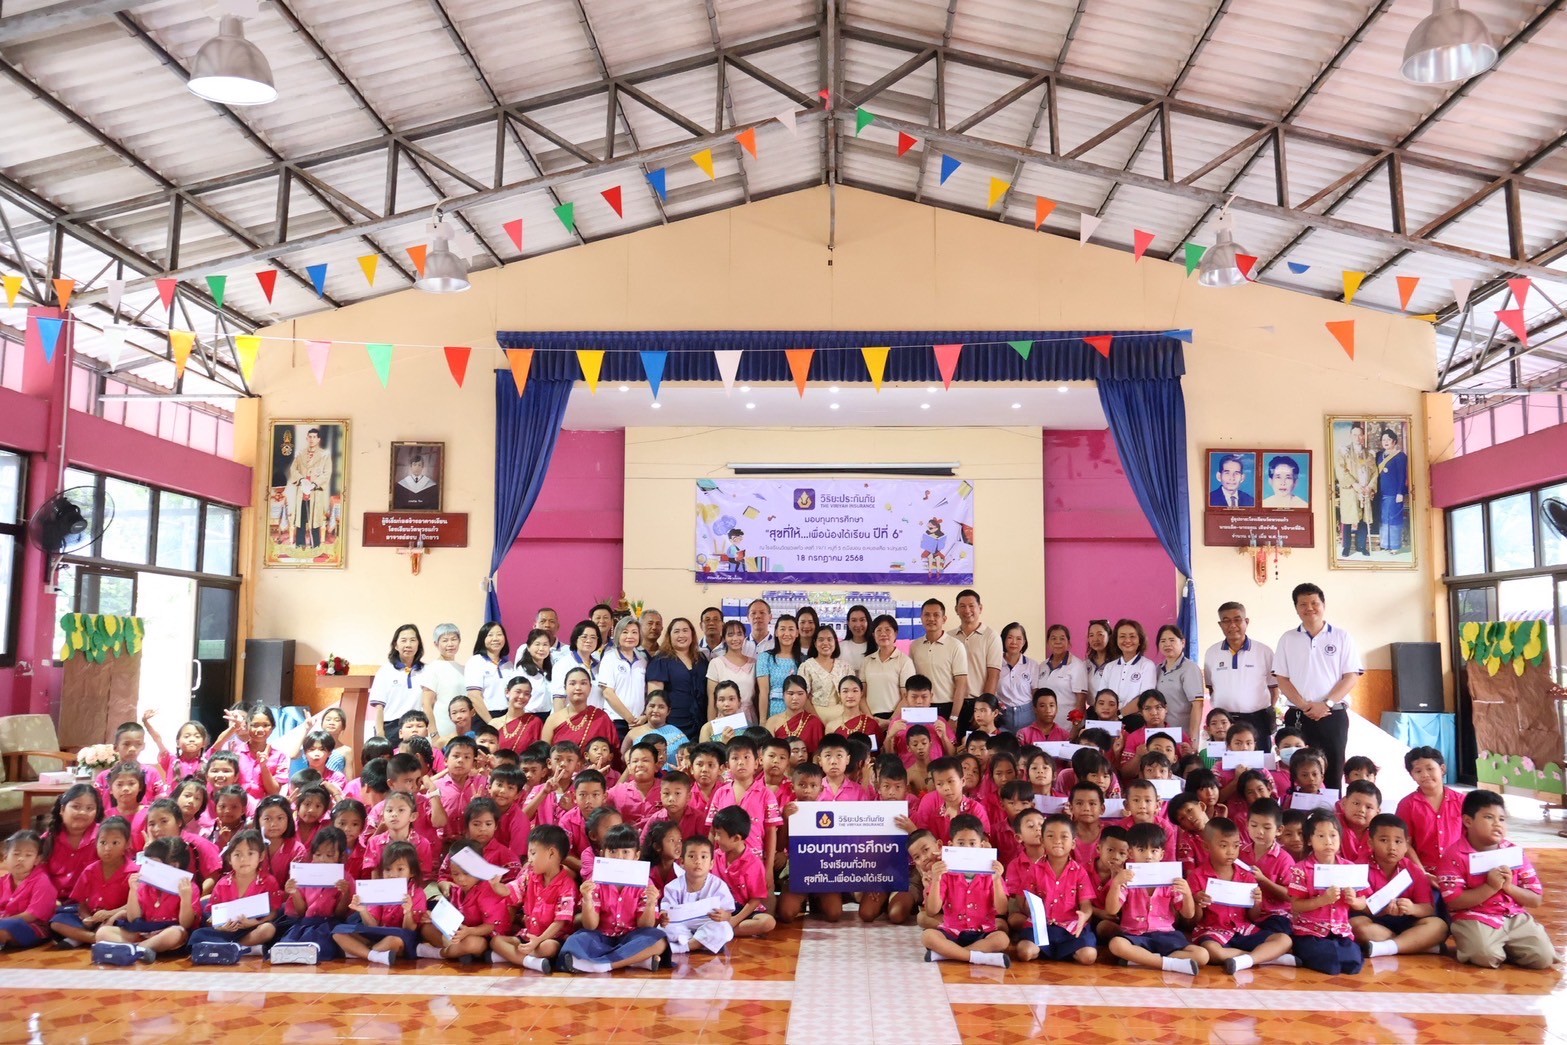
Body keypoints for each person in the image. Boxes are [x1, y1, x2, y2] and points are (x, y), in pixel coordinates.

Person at [1437, 790, 1552, 969]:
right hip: (1473, 917)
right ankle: (1499, 947)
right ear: (1468, 821)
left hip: (1514, 916)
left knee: (1543, 958)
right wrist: (1490, 887)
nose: (1497, 823)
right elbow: (1454, 901)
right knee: (1484, 955)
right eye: (1489, 817)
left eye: (1502, 819)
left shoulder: (1513, 852)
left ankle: (1506, 946)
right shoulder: (1454, 855)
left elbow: (1535, 899)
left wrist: (1509, 887)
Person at [1273, 583, 1361, 791]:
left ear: (1323, 605)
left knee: (1332, 769)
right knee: (1297, 770)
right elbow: (1282, 678)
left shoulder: (1341, 636)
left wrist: (1326, 704)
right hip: (1298, 715)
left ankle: (1329, 810)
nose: (1309, 608)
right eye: (1303, 604)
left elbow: (1351, 676)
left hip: (1333, 715)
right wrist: (1304, 706)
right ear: (1296, 608)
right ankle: (1296, 808)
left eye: (1314, 603)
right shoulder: (1288, 638)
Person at [559, 823, 666, 973]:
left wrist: (650, 903)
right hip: (601, 937)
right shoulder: (595, 881)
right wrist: (587, 899)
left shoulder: (645, 883)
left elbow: (645, 925)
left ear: (636, 856)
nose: (619, 857)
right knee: (574, 941)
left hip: (632, 936)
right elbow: (590, 926)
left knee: (659, 940)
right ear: (603, 854)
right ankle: (636, 961)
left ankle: (604, 965)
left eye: (625, 852)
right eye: (613, 851)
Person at [1104, 822, 1205, 975]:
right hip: (1135, 935)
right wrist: (1116, 883)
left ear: (1162, 854)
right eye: (1141, 850)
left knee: (1202, 955)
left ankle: (1140, 960)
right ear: (1131, 853)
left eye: (1154, 850)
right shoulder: (1126, 878)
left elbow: (1188, 914)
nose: (1148, 856)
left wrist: (1187, 894)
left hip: (1166, 935)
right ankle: (1168, 963)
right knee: (1117, 944)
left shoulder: (1170, 879)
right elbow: (1111, 910)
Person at [1352, 813, 1449, 959]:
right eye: (1384, 840)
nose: (1392, 847)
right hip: (1374, 920)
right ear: (1371, 843)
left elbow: (1428, 908)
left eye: (1398, 841)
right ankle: (1415, 944)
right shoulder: (1360, 867)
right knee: (1356, 925)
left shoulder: (1414, 870)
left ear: (1406, 845)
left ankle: (1389, 947)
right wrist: (1382, 910)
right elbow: (1359, 906)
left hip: (1406, 921)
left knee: (1439, 926)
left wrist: (1412, 908)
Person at [90, 835, 198, 965]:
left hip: (166, 934)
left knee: (176, 933)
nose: (147, 869)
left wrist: (185, 898)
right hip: (142, 932)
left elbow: (186, 924)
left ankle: (135, 949)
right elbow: (133, 918)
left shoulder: (189, 888)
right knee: (102, 933)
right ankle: (142, 949)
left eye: (153, 864)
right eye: (147, 863)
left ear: (174, 865)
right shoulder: (144, 885)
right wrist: (133, 891)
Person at [919, 813, 1010, 967]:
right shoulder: (945, 872)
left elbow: (1002, 909)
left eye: (972, 843)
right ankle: (978, 957)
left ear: (982, 845)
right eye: (961, 844)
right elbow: (932, 911)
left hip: (982, 932)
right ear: (951, 845)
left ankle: (948, 954)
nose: (967, 848)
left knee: (1002, 939)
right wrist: (936, 880)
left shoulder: (992, 872)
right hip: (952, 931)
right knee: (928, 936)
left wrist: (996, 880)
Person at [1287, 812, 1365, 975]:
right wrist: (1323, 900)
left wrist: (1353, 900)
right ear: (1309, 840)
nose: (1328, 841)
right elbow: (1296, 905)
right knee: (1330, 962)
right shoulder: (1301, 869)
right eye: (1321, 836)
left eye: (1333, 835)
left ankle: (1335, 951)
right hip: (1309, 932)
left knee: (1354, 963)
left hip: (1340, 932)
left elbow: (1363, 901)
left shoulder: (1349, 868)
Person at [188, 829, 282, 964]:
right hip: (227, 931)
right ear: (229, 859)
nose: (244, 859)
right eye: (237, 855)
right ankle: (240, 948)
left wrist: (255, 923)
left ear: (261, 856)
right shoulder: (222, 884)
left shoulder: (269, 881)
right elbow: (211, 916)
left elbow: (273, 912)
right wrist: (221, 927)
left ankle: (233, 947)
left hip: (252, 929)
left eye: (250, 853)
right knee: (197, 935)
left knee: (268, 929)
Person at [1202, 602, 1279, 752]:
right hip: (1224, 723)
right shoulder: (1211, 653)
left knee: (1259, 763)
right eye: (1226, 621)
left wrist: (1267, 711)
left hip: (1257, 720)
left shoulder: (1264, 651)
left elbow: (1274, 689)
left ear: (1246, 621)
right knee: (1222, 763)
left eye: (1237, 620)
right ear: (1220, 624)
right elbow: (1212, 688)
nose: (1232, 625)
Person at [659, 834, 736, 954]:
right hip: (681, 927)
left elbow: (728, 915)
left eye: (704, 857)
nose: (698, 861)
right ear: (682, 862)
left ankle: (684, 946)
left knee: (725, 928)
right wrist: (664, 917)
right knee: (663, 928)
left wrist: (724, 916)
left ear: (711, 864)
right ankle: (700, 943)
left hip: (707, 924)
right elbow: (666, 911)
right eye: (691, 856)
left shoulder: (718, 885)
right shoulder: (673, 887)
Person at [949, 589, 1003, 736]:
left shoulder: (991, 636)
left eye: (971, 606)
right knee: (955, 745)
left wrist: (982, 709)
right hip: (953, 703)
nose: (967, 610)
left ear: (980, 608)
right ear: (956, 609)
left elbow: (993, 675)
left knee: (978, 746)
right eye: (962, 606)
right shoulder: (949, 637)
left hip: (977, 702)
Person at [369, 624, 434, 741]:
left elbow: (430, 705)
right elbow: (379, 707)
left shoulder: (427, 670)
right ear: (396, 645)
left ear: (418, 644)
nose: (408, 645)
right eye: (403, 640)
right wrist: (380, 734)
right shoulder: (385, 670)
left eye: (413, 640)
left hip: (417, 728)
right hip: (391, 729)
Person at [647, 616, 708, 739]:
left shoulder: (701, 658)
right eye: (676, 631)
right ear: (669, 636)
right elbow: (655, 697)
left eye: (685, 630)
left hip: (701, 721)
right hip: (673, 723)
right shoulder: (661, 660)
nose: (681, 635)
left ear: (692, 634)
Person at [911, 599, 969, 722]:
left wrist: (954, 717)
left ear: (944, 619)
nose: (931, 619)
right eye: (927, 615)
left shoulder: (955, 646)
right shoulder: (915, 646)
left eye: (936, 615)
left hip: (947, 707)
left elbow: (961, 684)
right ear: (921, 618)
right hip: (921, 707)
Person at [0, 830, 58, 951]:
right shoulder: (2, 881)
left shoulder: (42, 881)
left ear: (37, 859)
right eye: (16, 854)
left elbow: (32, 915)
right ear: (5, 857)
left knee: (4, 928)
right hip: (5, 922)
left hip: (33, 927)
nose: (21, 859)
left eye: (28, 855)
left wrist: (3, 920)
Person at [597, 617, 649, 739]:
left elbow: (646, 692)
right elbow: (608, 693)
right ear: (617, 635)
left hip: (639, 722)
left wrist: (644, 716)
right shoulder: (609, 658)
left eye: (634, 632)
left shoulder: (642, 660)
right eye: (625, 632)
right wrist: (630, 718)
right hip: (617, 721)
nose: (630, 636)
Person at [1334, 422, 1378, 557]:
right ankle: (1346, 547)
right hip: (1351, 490)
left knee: (1364, 518)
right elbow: (1341, 470)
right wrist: (1354, 484)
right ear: (1350, 435)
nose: (1357, 438)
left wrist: (1370, 486)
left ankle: (1361, 546)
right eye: (1354, 435)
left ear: (1363, 436)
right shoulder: (1344, 451)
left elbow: (1374, 472)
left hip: (1365, 489)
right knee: (1348, 518)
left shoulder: (1369, 454)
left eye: (1360, 435)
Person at [1153, 624, 1204, 738]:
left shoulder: (1189, 668)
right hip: (1160, 733)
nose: (1167, 644)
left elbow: (1197, 705)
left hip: (1182, 734)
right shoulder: (1157, 669)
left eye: (1172, 640)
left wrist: (1193, 738)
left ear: (1183, 642)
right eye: (1163, 641)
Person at [1100, 619, 1159, 715]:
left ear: (1140, 640)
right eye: (1122, 636)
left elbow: (1145, 697)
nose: (1127, 640)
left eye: (1132, 636)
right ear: (1116, 640)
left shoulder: (1147, 665)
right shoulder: (1109, 667)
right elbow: (1102, 696)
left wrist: (1120, 715)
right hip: (1110, 718)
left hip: (1136, 718)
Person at [287, 427, 332, 550]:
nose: (312, 439)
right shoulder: (300, 454)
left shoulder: (324, 455)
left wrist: (314, 484)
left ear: (318, 439)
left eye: (314, 437)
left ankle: (315, 545)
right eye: (310, 437)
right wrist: (302, 480)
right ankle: (300, 544)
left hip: (315, 492)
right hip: (302, 491)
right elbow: (293, 469)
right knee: (301, 519)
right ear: (307, 438)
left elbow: (327, 473)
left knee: (314, 519)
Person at [862, 613, 915, 719]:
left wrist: (890, 721)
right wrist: (871, 719)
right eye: (879, 630)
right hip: (871, 717)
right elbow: (862, 695)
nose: (883, 634)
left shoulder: (904, 661)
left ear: (895, 633)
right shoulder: (867, 661)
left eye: (887, 630)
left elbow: (907, 697)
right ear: (873, 635)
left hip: (896, 718)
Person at [706, 619, 759, 722]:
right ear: (724, 638)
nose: (735, 638)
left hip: (749, 716)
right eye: (730, 634)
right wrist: (710, 725)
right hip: (725, 717)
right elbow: (712, 701)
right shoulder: (716, 663)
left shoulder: (754, 663)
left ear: (744, 637)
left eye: (739, 634)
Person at [755, 614, 804, 719]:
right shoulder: (765, 658)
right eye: (782, 629)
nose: (787, 633)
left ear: (797, 633)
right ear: (776, 632)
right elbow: (763, 692)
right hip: (774, 713)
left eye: (791, 629)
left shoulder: (803, 660)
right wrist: (763, 720)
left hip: (798, 713)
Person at [799, 625, 848, 726]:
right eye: (821, 640)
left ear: (835, 642)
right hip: (815, 717)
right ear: (815, 643)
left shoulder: (844, 666)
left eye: (829, 639)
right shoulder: (807, 666)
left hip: (842, 717)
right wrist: (816, 720)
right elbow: (802, 696)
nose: (825, 643)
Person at [465, 622, 513, 724]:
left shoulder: (509, 665)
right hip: (484, 717)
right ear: (482, 639)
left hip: (506, 717)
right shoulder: (476, 661)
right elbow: (474, 696)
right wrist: (491, 722)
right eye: (490, 635)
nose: (495, 638)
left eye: (499, 634)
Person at [551, 621, 602, 708]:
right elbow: (559, 699)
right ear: (575, 639)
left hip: (595, 715)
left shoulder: (600, 666)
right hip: (571, 715)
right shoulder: (563, 664)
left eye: (593, 637)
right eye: (584, 637)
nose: (589, 641)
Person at [512, 629, 557, 719]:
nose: (541, 649)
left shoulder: (552, 669)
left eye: (545, 644)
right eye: (537, 644)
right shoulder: (522, 671)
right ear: (528, 647)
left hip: (549, 717)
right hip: (528, 717)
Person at [1377, 429, 1408, 554]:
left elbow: (1402, 475)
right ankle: (1386, 544)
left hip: (1394, 493)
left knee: (1394, 519)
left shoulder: (1400, 456)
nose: (1386, 442)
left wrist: (1400, 492)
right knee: (1385, 518)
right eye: (1383, 440)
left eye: (1388, 440)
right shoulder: (1380, 456)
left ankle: (1395, 546)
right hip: (1382, 493)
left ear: (1394, 441)